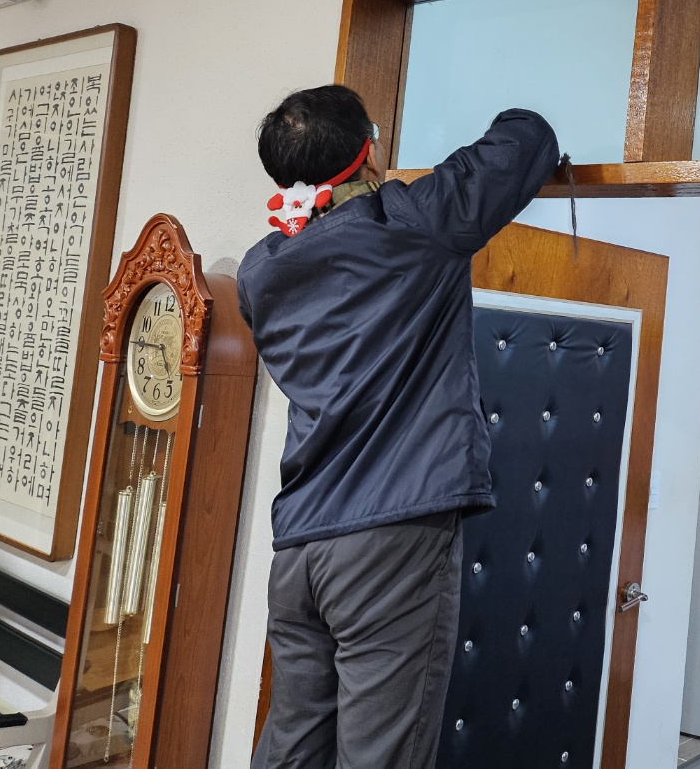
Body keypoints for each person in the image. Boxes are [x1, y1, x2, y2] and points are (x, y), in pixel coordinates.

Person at [239, 85, 559, 769]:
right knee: (381, 756)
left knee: (292, 747)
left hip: (299, 548)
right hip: (389, 536)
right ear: (369, 150)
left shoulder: (260, 270)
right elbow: (527, 137)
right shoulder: (412, 222)